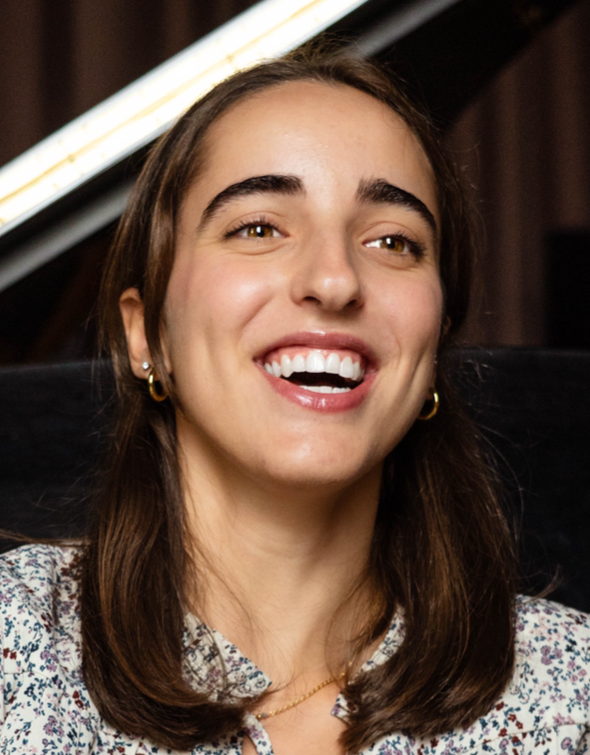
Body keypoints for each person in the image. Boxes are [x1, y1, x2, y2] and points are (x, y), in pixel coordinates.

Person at [0, 46, 588, 755]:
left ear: (435, 344)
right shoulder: (15, 638)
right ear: (147, 331)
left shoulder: (572, 689)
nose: (335, 280)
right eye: (258, 228)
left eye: (393, 240)